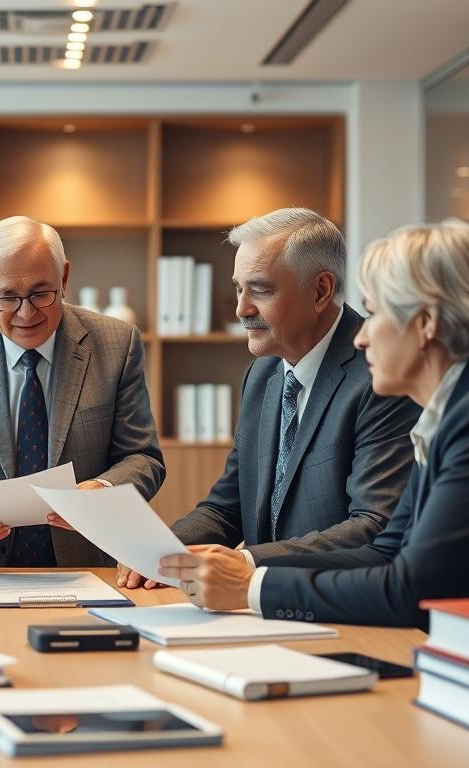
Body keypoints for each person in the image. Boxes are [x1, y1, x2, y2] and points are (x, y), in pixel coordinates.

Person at [161, 219, 469, 626]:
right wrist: (246, 575)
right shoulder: (465, 401)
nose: (363, 337)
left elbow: (415, 589)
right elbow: (388, 550)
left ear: (427, 323)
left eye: (374, 314)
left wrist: (252, 586)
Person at [119, 208, 419, 589]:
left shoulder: (380, 374)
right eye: (238, 288)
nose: (242, 309)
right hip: (259, 606)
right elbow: (227, 508)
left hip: (338, 607)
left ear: (321, 290)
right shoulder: (262, 375)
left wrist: (245, 561)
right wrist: (163, 550)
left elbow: (374, 525)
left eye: (260, 289)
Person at [0, 215, 165, 567]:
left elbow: (143, 458)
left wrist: (103, 492)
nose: (26, 313)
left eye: (40, 293)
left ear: (64, 277)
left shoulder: (116, 344)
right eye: (7, 297)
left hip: (91, 565)